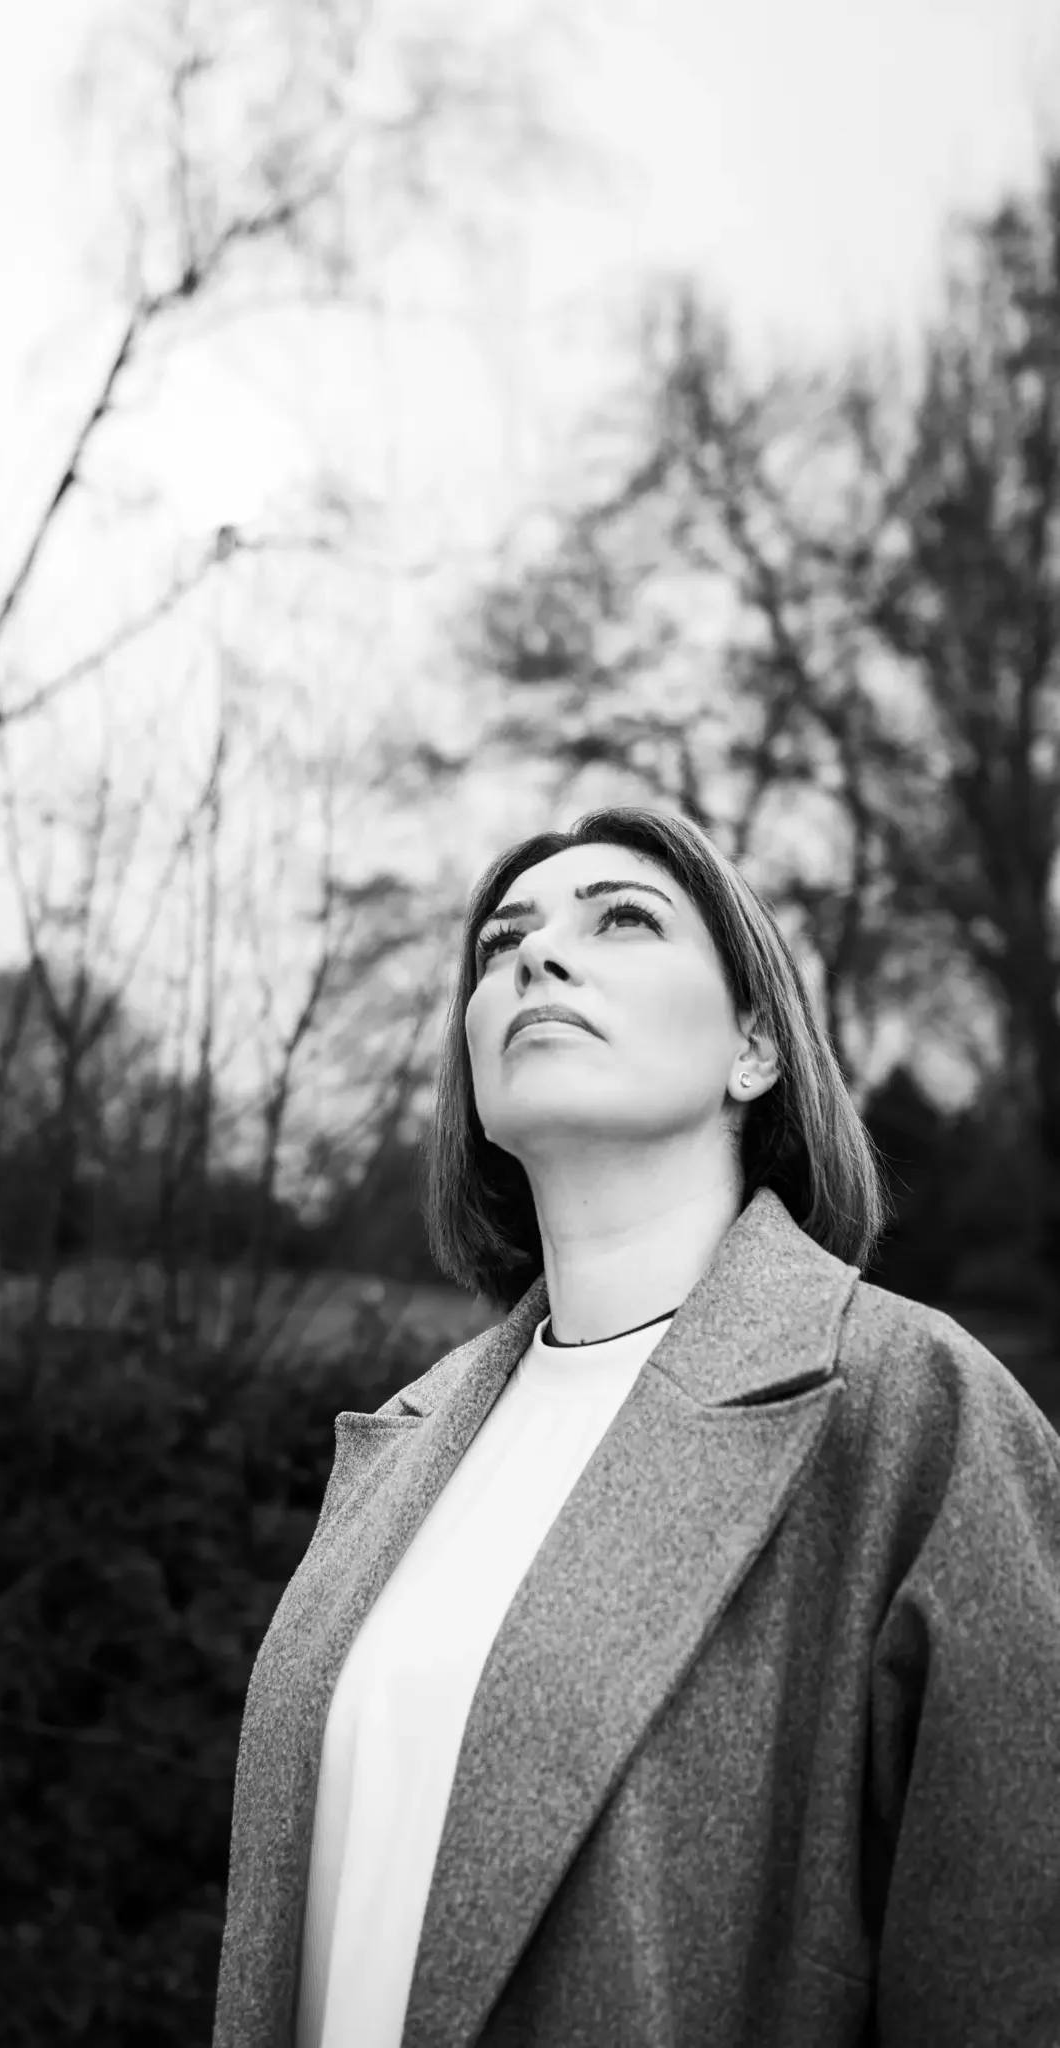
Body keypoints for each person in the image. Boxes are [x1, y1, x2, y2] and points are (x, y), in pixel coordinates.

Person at [212, 805, 1060, 2048]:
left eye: (622, 918)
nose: (535, 960)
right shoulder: (404, 1438)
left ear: (755, 1046)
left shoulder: (918, 1409)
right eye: (504, 941)